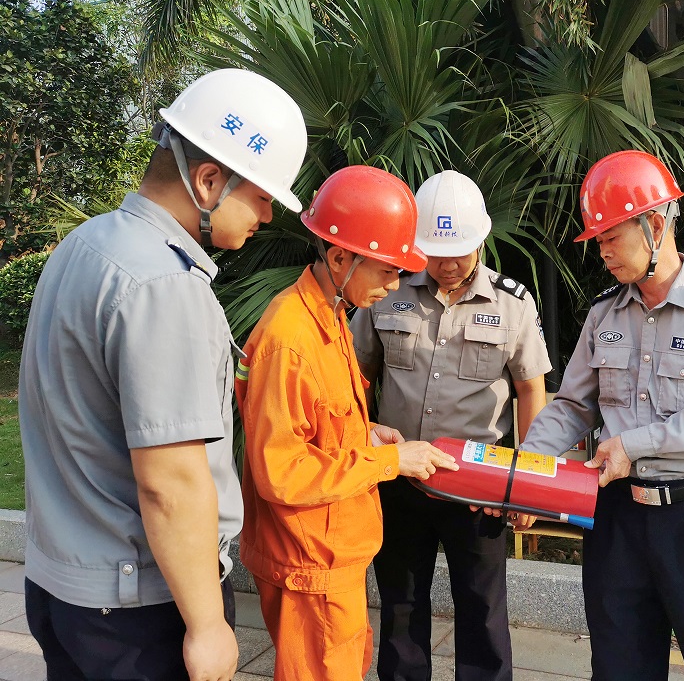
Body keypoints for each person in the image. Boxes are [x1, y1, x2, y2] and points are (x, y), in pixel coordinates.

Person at [18, 68, 308, 681]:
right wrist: (207, 626)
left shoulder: (85, 244)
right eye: (262, 197)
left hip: (62, 586)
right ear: (209, 180)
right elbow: (170, 482)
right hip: (138, 608)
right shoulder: (165, 285)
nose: (266, 216)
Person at [517, 150, 684, 681]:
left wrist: (635, 445)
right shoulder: (603, 312)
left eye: (610, 236)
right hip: (618, 522)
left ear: (655, 225)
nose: (602, 251)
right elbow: (573, 406)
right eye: (598, 240)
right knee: (618, 668)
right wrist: (524, 471)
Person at [236, 165, 459, 681]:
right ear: (339, 257)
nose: (395, 284)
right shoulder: (291, 338)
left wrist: (367, 434)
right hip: (307, 562)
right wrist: (389, 460)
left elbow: (320, 426)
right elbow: (282, 473)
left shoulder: (332, 313)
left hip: (330, 555)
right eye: (385, 270)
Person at [350, 169, 552, 681]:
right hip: (400, 477)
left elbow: (531, 390)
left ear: (481, 239)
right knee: (400, 605)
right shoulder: (388, 291)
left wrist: (526, 483)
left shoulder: (512, 303)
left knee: (482, 610)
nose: (447, 264)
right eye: (435, 253)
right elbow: (357, 375)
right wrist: (359, 447)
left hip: (479, 485)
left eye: (458, 252)